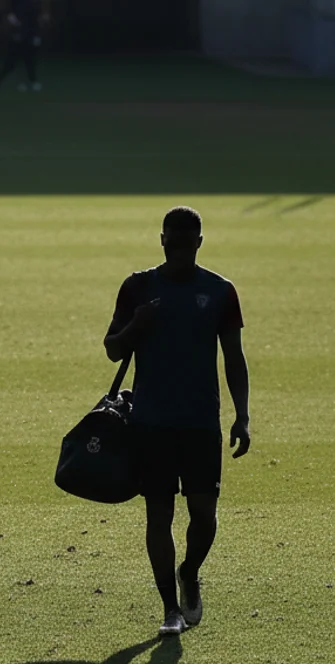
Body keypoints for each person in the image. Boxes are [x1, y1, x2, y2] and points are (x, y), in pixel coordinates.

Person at [103, 206, 251, 637]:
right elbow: (113, 348)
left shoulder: (221, 292)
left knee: (204, 514)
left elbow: (234, 358)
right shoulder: (138, 287)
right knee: (159, 515)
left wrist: (242, 415)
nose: (181, 250)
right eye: (174, 241)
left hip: (202, 422)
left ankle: (190, 571)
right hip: (151, 421)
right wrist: (137, 325)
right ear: (162, 240)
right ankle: (169, 609)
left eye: (188, 243)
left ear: (199, 244)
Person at [0, 0, 41, 91]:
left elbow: (35, 21)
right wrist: (14, 23)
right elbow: (7, 14)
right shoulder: (16, 3)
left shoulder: (32, 5)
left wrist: (36, 36)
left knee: (29, 61)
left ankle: (32, 82)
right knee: (12, 61)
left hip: (27, 36)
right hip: (18, 36)